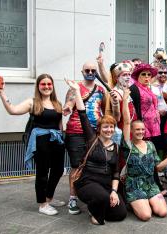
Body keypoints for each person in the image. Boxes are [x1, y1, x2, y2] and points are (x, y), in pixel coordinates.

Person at [0, 74, 65, 215]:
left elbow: (59, 123)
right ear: (38, 86)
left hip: (56, 140)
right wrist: (2, 93)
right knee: (42, 172)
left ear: (52, 86)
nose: (46, 87)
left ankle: (49, 197)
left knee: (58, 170)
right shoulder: (32, 102)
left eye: (49, 84)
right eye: (43, 84)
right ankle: (42, 204)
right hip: (40, 141)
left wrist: (62, 137)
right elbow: (12, 110)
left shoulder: (57, 103)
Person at [63, 62, 106, 215]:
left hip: (95, 133)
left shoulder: (101, 90)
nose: (90, 72)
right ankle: (73, 197)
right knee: (76, 165)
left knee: (93, 165)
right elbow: (69, 102)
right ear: (82, 71)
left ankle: (90, 196)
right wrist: (68, 107)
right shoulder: (75, 87)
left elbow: (105, 110)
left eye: (93, 70)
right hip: (76, 131)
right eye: (87, 70)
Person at [121, 113, 167, 222]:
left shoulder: (150, 145)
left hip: (151, 184)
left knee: (163, 212)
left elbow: (158, 167)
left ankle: (146, 201)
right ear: (131, 131)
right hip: (135, 186)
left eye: (142, 129)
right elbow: (126, 122)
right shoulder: (128, 146)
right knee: (146, 216)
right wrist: (125, 99)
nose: (140, 132)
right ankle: (135, 202)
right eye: (137, 129)